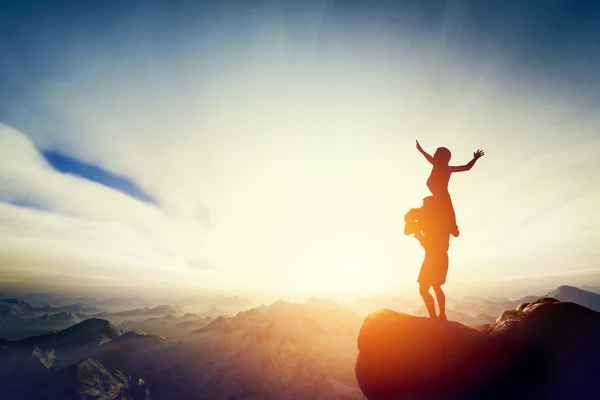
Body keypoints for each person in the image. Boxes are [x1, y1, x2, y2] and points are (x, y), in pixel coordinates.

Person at [415, 140, 485, 237]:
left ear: (444, 158)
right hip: (437, 193)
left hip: (441, 193)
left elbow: (466, 167)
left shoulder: (445, 167)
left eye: (436, 154)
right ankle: (448, 225)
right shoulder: (438, 164)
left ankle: (452, 227)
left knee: (449, 209)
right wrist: (421, 150)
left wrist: (475, 159)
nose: (434, 155)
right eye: (435, 154)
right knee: (446, 208)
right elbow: (429, 158)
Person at [404, 196, 450, 321]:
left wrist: (416, 229)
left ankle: (437, 317)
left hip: (435, 256)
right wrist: (411, 219)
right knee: (430, 287)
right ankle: (438, 316)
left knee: (428, 287)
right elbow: (407, 231)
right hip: (434, 256)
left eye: (425, 205)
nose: (422, 207)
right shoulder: (434, 219)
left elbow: (429, 244)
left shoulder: (435, 221)